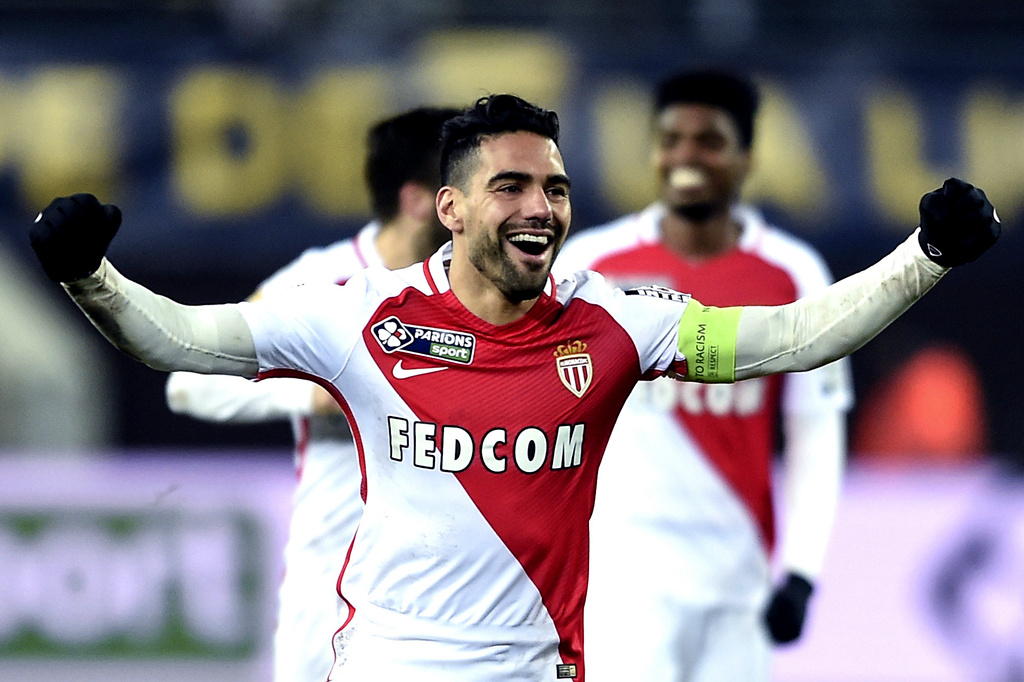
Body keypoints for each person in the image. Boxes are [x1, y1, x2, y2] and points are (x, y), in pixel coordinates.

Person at [29, 94, 998, 682]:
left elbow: (789, 337)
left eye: (556, 189)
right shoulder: (357, 315)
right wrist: (91, 278)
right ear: (450, 208)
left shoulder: (617, 321)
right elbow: (184, 343)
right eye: (512, 187)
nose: (541, 207)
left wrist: (924, 258)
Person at [555, 70, 850, 681]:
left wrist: (801, 572)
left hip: (739, 581)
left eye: (709, 141)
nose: (686, 156)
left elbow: (815, 435)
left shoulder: (793, 274)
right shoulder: (591, 266)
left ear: (747, 159)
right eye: (671, 140)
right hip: (622, 582)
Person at [163, 106, 459, 682]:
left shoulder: (490, 292)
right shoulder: (320, 282)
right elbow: (189, 383)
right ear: (422, 200)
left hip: (454, 599)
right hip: (334, 597)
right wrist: (316, 390)